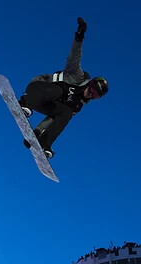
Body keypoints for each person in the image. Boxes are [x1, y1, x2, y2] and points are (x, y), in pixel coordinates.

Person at [18, 17, 109, 159]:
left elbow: (53, 119)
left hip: (45, 105)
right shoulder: (76, 75)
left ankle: (44, 143)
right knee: (59, 90)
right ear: (90, 83)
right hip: (37, 89)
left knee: (66, 113)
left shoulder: (78, 105)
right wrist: (79, 36)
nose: (91, 94)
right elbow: (75, 55)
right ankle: (25, 102)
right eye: (92, 89)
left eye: (96, 95)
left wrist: (36, 133)